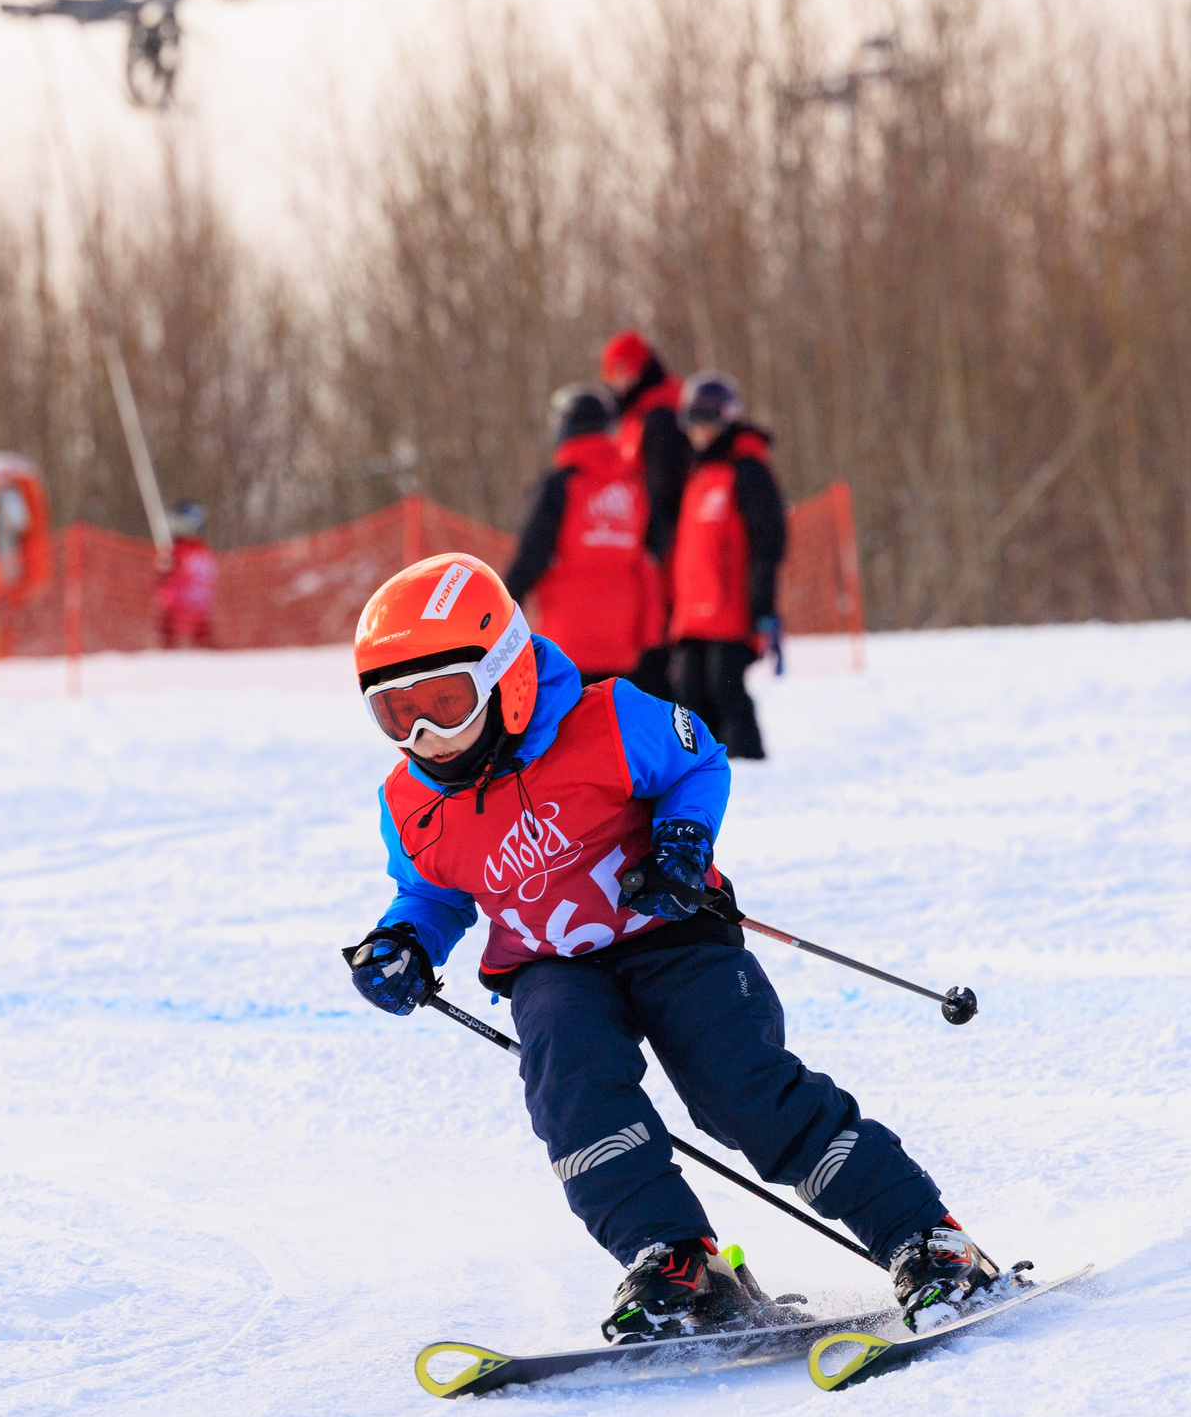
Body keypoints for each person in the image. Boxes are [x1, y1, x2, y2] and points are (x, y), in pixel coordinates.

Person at [341, 552, 991, 1340]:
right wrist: (406, 941)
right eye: (395, 712)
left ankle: (926, 1238)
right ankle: (676, 1260)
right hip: (551, 967)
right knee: (572, 1091)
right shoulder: (411, 803)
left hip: (672, 934)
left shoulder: (608, 720)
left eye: (447, 702)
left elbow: (699, 761)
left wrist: (681, 840)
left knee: (741, 1093)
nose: (425, 735)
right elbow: (434, 891)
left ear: (507, 676)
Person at [502, 385, 660, 684]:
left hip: (568, 637)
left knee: (570, 725)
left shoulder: (561, 482)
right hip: (622, 636)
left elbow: (532, 554)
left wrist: (505, 601)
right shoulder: (634, 485)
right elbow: (651, 556)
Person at [666, 373, 782, 761]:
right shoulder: (696, 473)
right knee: (689, 696)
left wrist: (762, 608)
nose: (698, 428)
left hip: (731, 610)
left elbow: (768, 541)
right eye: (690, 418)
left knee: (726, 689)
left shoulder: (747, 470)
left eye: (707, 417)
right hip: (693, 613)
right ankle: (707, 774)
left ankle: (752, 770)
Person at [601, 331, 692, 700]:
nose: (618, 382)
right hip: (647, 554)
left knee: (659, 658)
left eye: (623, 372)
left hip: (662, 558)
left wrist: (652, 548)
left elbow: (663, 493)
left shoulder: (660, 417)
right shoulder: (638, 416)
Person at [155, 500, 219, 649]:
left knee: (203, 646)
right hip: (189, 614)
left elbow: (166, 580)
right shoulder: (198, 550)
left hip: (185, 613)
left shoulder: (185, 550)